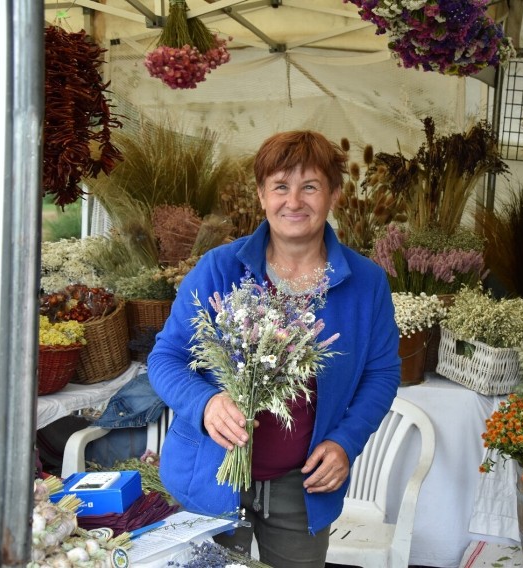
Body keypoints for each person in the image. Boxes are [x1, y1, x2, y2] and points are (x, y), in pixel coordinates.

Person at [147, 130, 400, 567]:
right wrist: (205, 403)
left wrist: (346, 441)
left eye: (310, 187)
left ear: (334, 195)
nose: (294, 201)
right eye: (280, 186)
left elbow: (381, 374)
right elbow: (165, 357)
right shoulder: (219, 269)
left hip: (302, 489)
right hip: (209, 478)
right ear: (262, 195)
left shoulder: (366, 283)